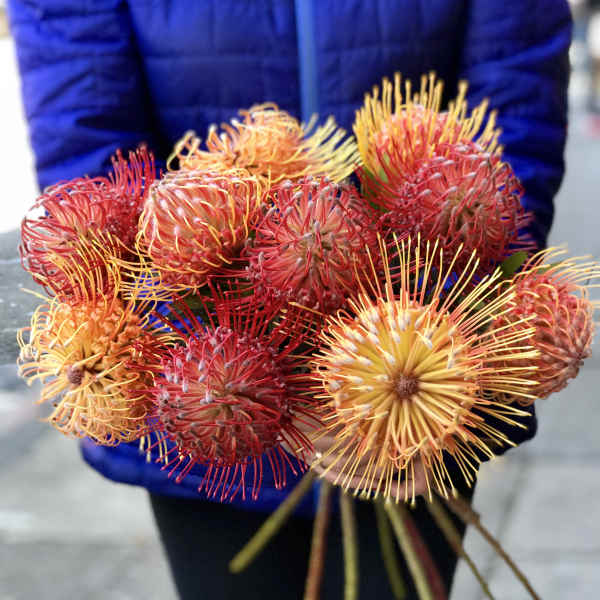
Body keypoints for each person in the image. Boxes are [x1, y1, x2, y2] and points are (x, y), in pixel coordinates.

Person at [8, 1, 572, 598]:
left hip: (425, 366)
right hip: (205, 391)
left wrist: (457, 325)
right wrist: (205, 352)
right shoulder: (207, 372)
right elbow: (83, 125)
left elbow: (518, 87)